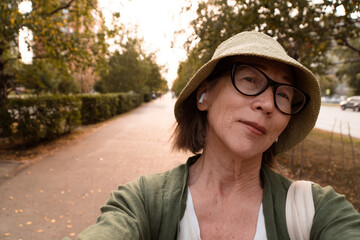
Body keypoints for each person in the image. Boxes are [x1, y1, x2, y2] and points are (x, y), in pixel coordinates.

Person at [74, 31, 360, 239]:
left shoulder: (315, 209)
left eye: (284, 95)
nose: (269, 104)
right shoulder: (144, 202)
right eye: (250, 79)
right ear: (204, 96)